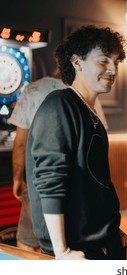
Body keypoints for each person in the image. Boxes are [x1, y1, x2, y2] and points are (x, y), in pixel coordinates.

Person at [25, 25, 127, 260]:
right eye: (103, 60)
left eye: (116, 62)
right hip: (76, 251)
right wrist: (62, 252)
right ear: (77, 62)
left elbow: (95, 182)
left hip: (103, 242)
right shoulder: (59, 105)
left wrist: (112, 230)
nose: (112, 69)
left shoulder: (91, 114)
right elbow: (50, 180)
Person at [9, 75, 108, 253]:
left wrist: (17, 178)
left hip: (40, 181)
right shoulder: (87, 91)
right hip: (81, 190)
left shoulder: (34, 89)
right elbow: (98, 147)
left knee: (27, 240)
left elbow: (21, 142)